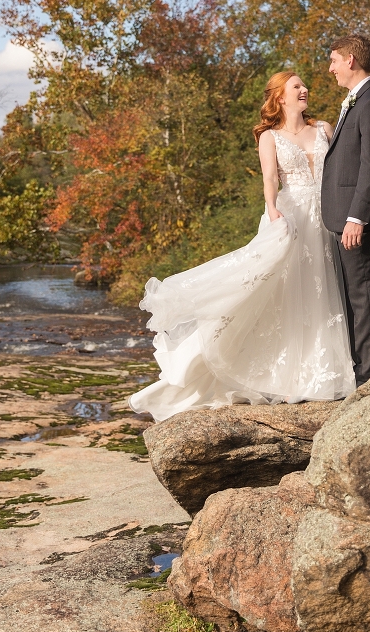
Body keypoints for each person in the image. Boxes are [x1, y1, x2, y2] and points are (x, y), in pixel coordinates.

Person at [129, 71, 355, 421]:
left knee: (320, 291)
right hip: (291, 215)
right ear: (280, 96)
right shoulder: (270, 136)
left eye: (303, 85)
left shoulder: (324, 128)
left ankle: (320, 372)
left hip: (325, 218)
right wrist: (273, 213)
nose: (305, 89)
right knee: (281, 293)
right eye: (297, 86)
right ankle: (280, 375)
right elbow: (269, 179)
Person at [321, 34, 370, 385]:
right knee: (350, 300)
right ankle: (356, 373)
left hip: (355, 220)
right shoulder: (355, 100)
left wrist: (357, 217)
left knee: (363, 298)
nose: (331, 67)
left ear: (351, 60)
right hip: (341, 219)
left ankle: (369, 379)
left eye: (334, 60)